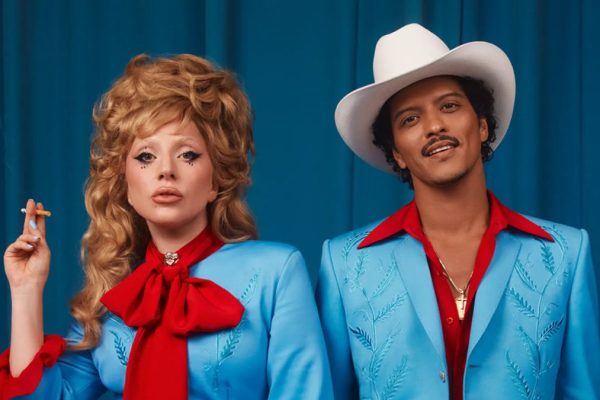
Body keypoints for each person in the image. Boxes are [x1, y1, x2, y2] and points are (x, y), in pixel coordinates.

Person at [1, 54, 333, 399]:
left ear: (215, 180)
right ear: (125, 183)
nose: (166, 171)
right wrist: (26, 289)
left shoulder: (275, 271)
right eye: (146, 156)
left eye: (188, 154)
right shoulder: (113, 296)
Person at [316, 23, 599, 399]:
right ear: (396, 153)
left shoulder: (566, 253)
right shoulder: (344, 264)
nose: (434, 126)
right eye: (409, 119)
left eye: (449, 106)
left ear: (481, 126)